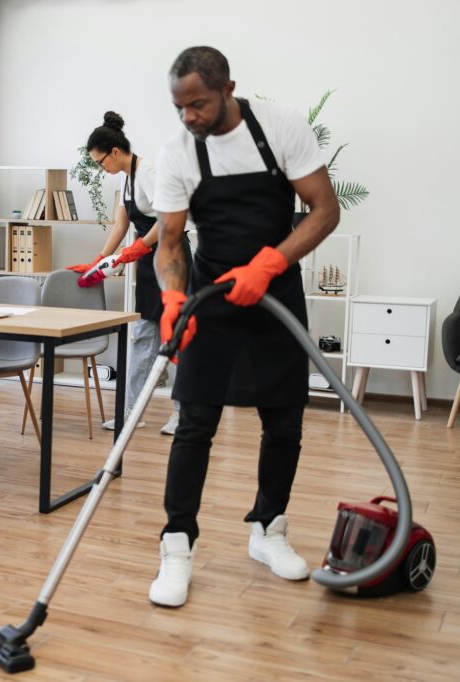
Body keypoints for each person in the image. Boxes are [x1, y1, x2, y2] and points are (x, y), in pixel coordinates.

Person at [149, 47, 340, 607]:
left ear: (229, 88)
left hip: (275, 289)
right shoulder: (178, 152)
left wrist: (271, 264)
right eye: (179, 107)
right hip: (212, 294)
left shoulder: (279, 127)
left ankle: (268, 529)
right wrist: (173, 298)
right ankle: (177, 545)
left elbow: (325, 210)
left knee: (284, 420)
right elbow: (168, 241)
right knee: (195, 421)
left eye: (199, 105)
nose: (189, 118)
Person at [67, 112, 187, 436]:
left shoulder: (148, 172)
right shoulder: (125, 177)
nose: (100, 168)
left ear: (115, 152)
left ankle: (182, 413)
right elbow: (122, 225)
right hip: (149, 259)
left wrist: (135, 250)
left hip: (173, 256)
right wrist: (101, 260)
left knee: (176, 335)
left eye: (100, 161)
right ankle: (133, 409)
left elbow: (169, 220)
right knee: (143, 334)